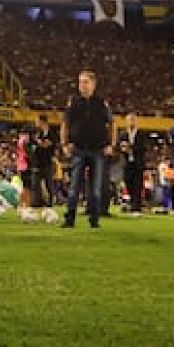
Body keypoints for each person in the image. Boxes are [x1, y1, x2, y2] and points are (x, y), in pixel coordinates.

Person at [59, 70, 112, 229]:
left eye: (86, 82)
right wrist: (64, 144)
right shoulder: (73, 102)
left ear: (93, 84)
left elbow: (112, 124)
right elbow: (65, 124)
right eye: (80, 82)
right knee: (74, 187)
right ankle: (69, 219)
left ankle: (94, 220)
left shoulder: (102, 103)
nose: (82, 85)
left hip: (98, 149)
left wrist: (111, 144)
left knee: (95, 189)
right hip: (78, 148)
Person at [114, 112, 149, 215]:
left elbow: (144, 148)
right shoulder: (123, 134)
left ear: (136, 121)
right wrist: (122, 148)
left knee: (138, 184)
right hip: (127, 163)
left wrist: (131, 147)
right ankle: (133, 203)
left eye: (133, 120)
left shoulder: (141, 133)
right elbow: (118, 147)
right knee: (128, 182)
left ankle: (136, 207)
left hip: (138, 162)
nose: (131, 122)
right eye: (129, 120)